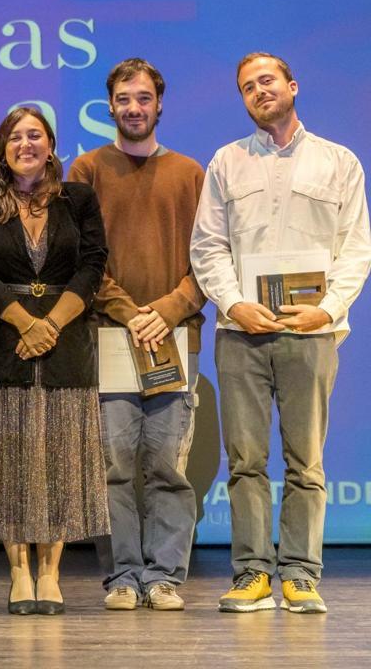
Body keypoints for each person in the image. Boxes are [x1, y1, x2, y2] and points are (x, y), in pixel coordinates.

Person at [191, 52, 371, 614]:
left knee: (305, 461)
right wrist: (237, 304)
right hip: (240, 332)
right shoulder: (226, 162)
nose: (258, 91)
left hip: (312, 332)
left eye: (267, 81)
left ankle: (300, 574)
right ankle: (251, 574)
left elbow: (356, 247)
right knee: (244, 461)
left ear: (292, 86)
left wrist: (329, 308)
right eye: (247, 87)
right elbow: (207, 246)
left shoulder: (338, 162)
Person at [0, 106, 109, 615]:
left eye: (35, 135)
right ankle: (18, 573)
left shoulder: (78, 198)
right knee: (10, 464)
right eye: (15, 136)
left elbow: (93, 265)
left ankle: (51, 574)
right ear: (2, 148)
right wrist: (24, 322)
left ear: (51, 143)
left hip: (65, 347)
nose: (26, 144)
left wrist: (51, 325)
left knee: (56, 461)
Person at [68, 59, 206, 611]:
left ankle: (166, 574)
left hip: (175, 339)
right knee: (114, 465)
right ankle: (122, 574)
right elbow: (77, 257)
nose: (133, 108)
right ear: (110, 106)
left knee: (169, 466)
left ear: (159, 104)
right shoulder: (86, 170)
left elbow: (211, 259)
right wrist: (129, 311)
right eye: (124, 99)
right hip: (108, 338)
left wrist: (169, 310)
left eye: (143, 98)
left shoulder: (192, 174)